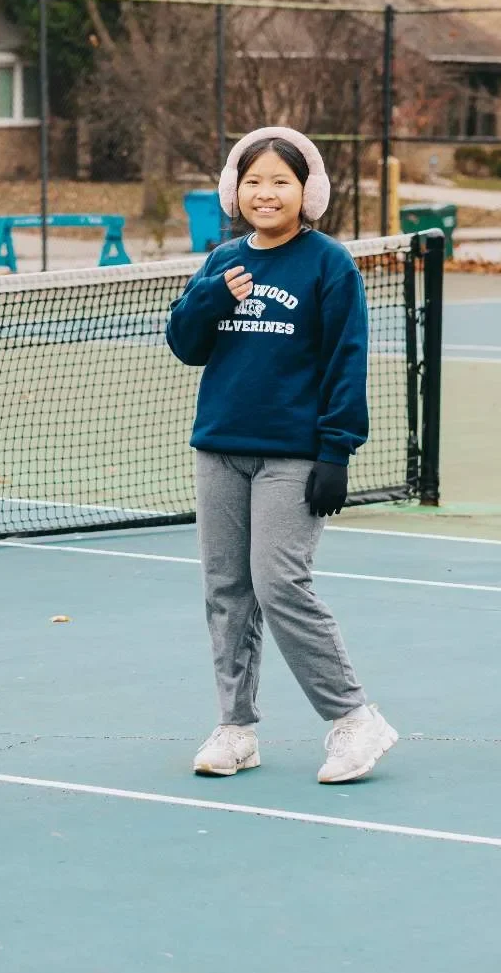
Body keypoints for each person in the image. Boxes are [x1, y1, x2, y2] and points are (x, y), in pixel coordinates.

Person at [165, 125, 397, 784]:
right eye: (253, 180)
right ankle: (235, 728)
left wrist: (337, 451)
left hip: (293, 456)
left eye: (280, 181)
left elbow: (347, 360)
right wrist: (212, 296)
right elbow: (185, 343)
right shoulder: (221, 261)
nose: (265, 193)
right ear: (233, 191)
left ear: (308, 191)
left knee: (279, 583)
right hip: (220, 449)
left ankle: (355, 719)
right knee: (226, 590)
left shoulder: (329, 264)